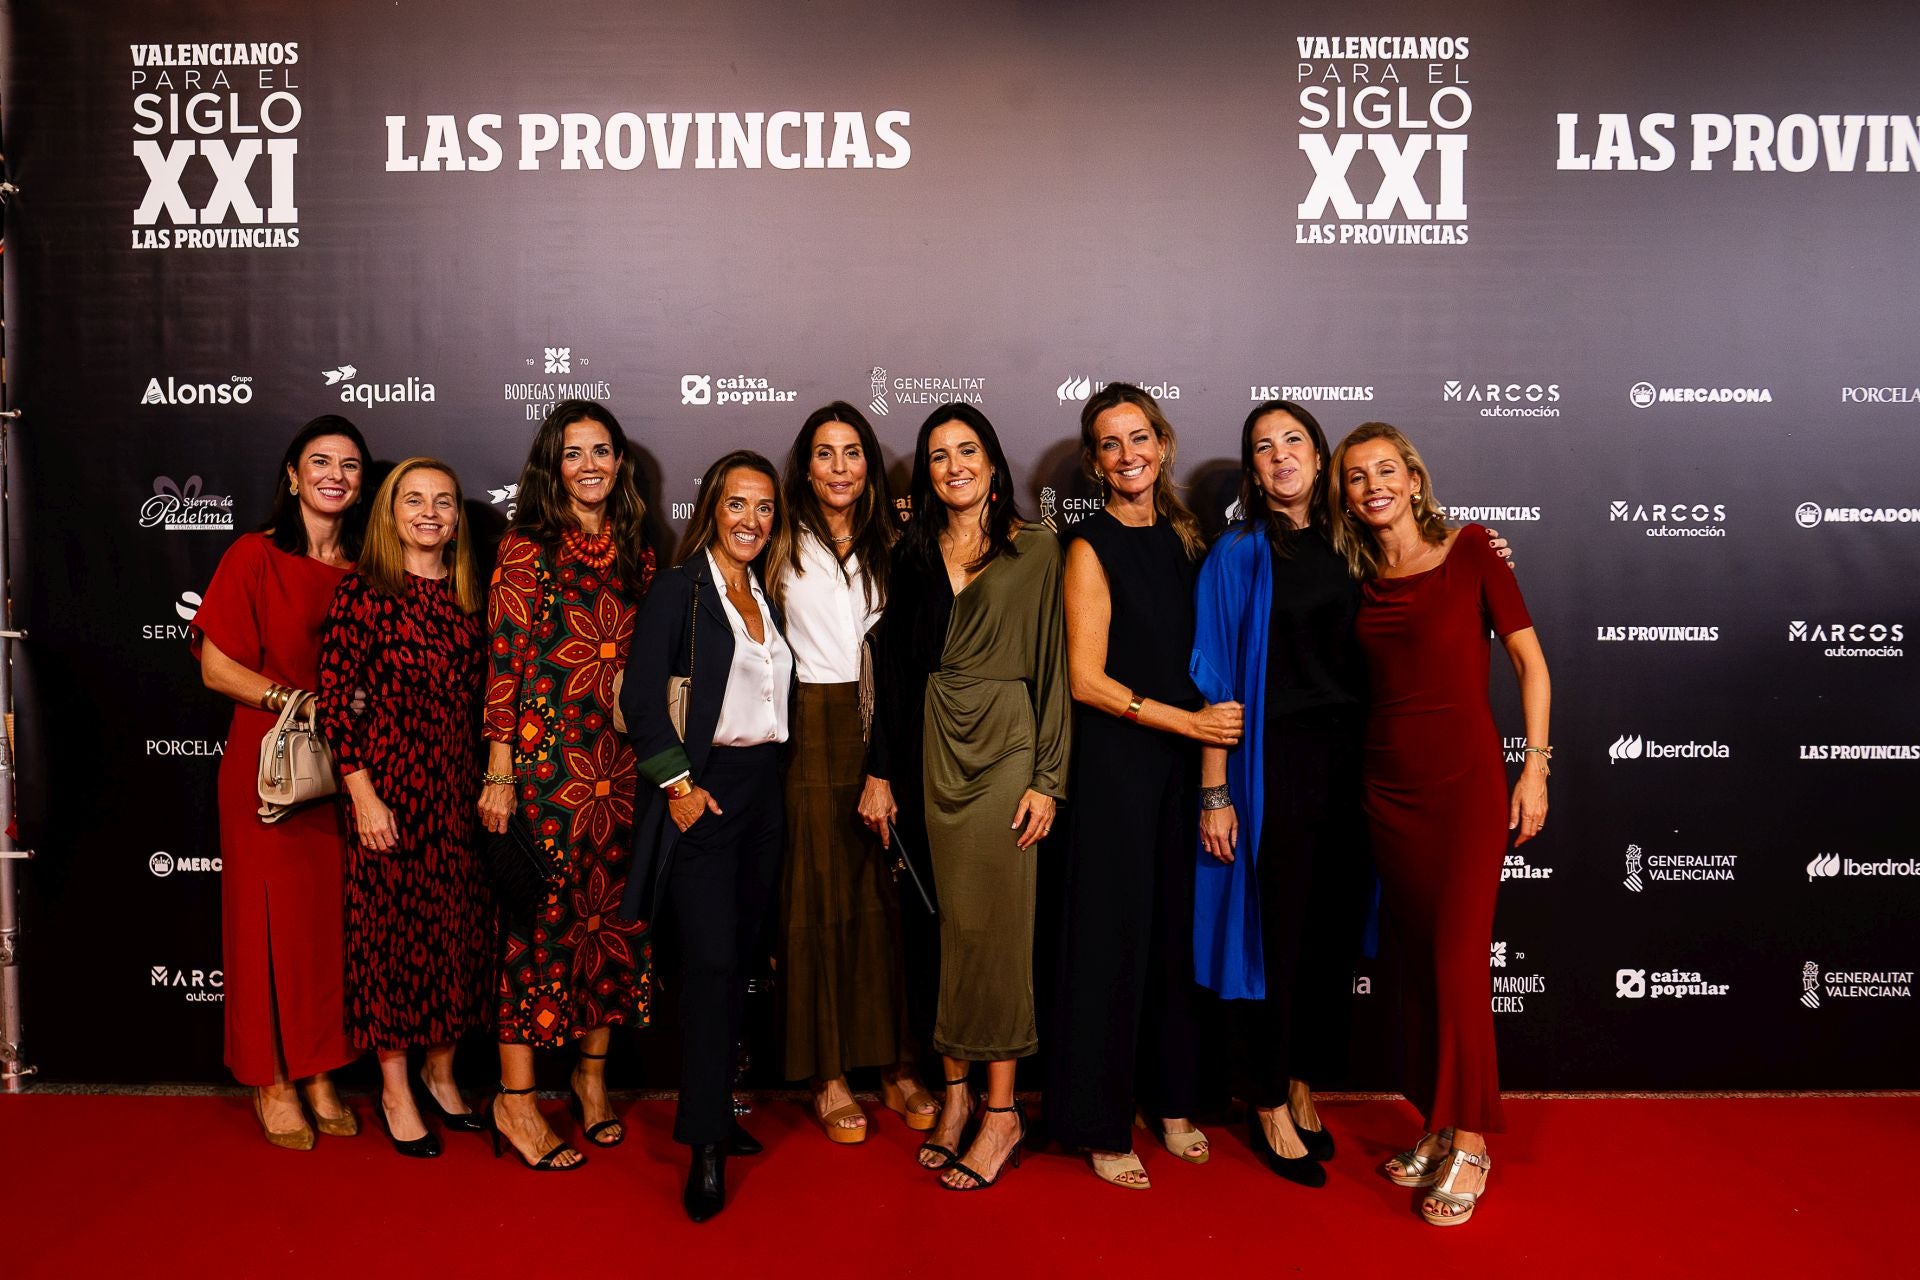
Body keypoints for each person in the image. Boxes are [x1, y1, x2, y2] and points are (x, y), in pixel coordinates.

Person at [1330, 421, 1550, 1228]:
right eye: (1356, 477)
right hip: (1387, 788)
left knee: (1458, 963)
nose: (1372, 486)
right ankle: (1434, 1119)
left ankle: (1473, 1143)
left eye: (1386, 470)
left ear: (1414, 480)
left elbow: (1531, 662)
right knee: (1416, 963)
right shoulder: (1357, 573)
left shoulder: (1473, 553)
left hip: (1463, 788)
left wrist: (1534, 766)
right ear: (1345, 497)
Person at [868, 403, 1070, 1193]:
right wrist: (882, 770)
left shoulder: (1038, 550)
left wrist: (1047, 778)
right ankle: (954, 1099)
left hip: (1006, 750)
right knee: (944, 931)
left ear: (992, 463)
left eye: (968, 450)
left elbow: (1055, 671)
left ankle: (1002, 1109)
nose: (954, 464)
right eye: (939, 454)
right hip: (930, 749)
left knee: (997, 934)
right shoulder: (911, 554)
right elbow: (892, 674)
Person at [1046, 384, 1241, 1190]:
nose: (1128, 455)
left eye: (1139, 438)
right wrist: (1189, 727)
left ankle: (1171, 1100)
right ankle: (1099, 1119)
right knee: (1110, 944)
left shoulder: (1190, 540)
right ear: (1095, 461)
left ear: (1161, 444)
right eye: (1110, 443)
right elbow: (1086, 681)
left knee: (1173, 938)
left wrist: (1208, 778)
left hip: (1178, 770)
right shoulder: (1088, 546)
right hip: (1115, 768)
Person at [1190, 401, 1377, 1188]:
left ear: (1321, 455)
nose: (1280, 456)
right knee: (1277, 938)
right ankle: (1266, 1097)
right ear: (1252, 470)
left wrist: (1482, 550)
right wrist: (1215, 794)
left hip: (1354, 769)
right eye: (1263, 448)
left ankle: (1303, 1081)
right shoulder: (1238, 554)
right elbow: (1215, 684)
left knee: (1331, 935)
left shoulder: (1360, 546)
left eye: (1293, 440)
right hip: (1274, 772)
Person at [478, 399, 657, 1172]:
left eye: (602, 451)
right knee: (536, 928)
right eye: (574, 452)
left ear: (619, 463)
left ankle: (589, 1082)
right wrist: (499, 773)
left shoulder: (637, 554)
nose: (590, 465)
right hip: (544, 770)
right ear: (554, 467)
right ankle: (516, 1102)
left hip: (620, 774)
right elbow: (505, 666)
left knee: (610, 927)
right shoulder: (526, 548)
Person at [619, 450, 794, 1222]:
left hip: (765, 798)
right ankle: (705, 1147)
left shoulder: (769, 594)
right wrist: (680, 787)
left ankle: (720, 1112)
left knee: (741, 959)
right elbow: (638, 698)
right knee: (712, 967)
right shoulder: (680, 589)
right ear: (711, 510)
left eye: (763, 507)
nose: (750, 520)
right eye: (736, 505)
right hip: (705, 793)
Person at [192, 415, 369, 1150]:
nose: (336, 474)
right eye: (320, 461)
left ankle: (321, 1069)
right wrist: (290, 703)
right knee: (266, 922)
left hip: (345, 768)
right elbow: (214, 665)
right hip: (269, 763)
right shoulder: (253, 556)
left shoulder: (365, 569)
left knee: (327, 929)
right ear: (292, 476)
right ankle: (272, 1079)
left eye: (351, 465)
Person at [316, 457, 492, 1158]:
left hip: (459, 792)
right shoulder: (363, 593)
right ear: (390, 513)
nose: (429, 513)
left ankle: (441, 1072)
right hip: (388, 792)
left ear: (456, 518)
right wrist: (363, 795)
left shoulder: (471, 593)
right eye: (413, 500)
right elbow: (336, 704)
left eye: (443, 502)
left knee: (455, 936)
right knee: (390, 941)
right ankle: (395, 1087)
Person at [770, 404, 935, 1143]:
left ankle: (895, 1067)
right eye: (825, 454)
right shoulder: (775, 538)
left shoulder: (898, 543)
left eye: (853, 453)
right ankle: (828, 1072)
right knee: (815, 902)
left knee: (883, 904)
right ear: (805, 466)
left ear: (871, 464)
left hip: (883, 729)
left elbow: (904, 660)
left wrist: (887, 762)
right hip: (804, 729)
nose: (840, 467)